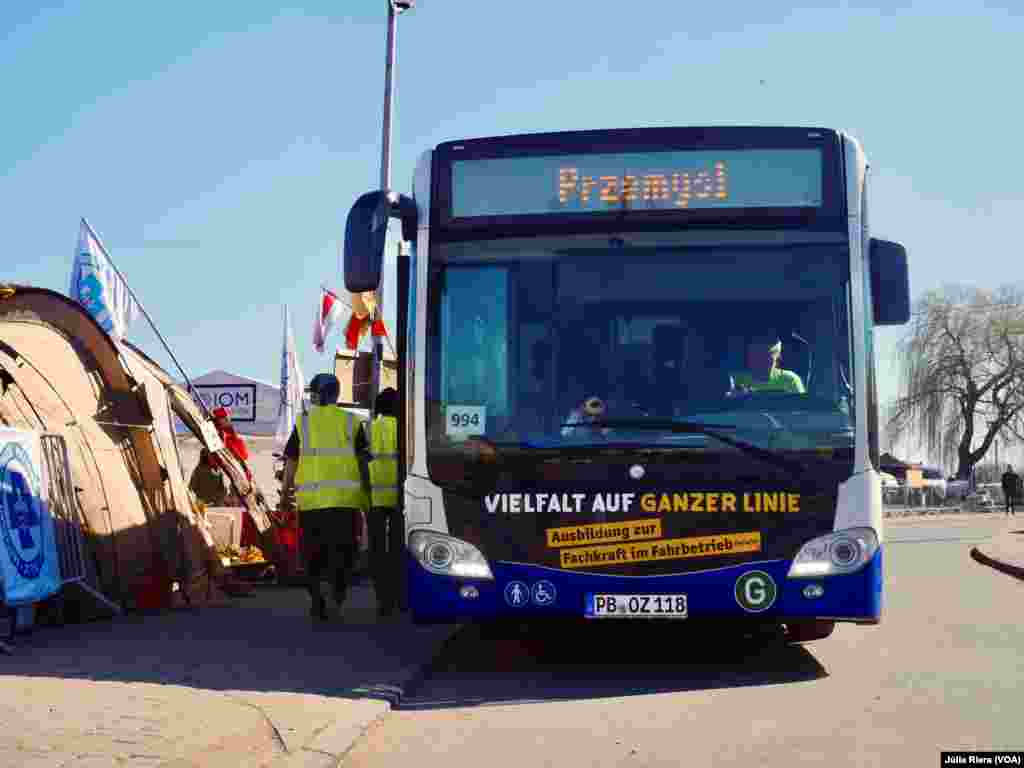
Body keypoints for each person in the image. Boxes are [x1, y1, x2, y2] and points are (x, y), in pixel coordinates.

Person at [282, 374, 369, 621]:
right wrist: (366, 495)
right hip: (345, 502)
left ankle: (317, 597)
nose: (310, 397)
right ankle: (337, 598)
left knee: (312, 553)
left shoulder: (303, 422)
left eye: (313, 393)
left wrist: (285, 495)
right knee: (344, 553)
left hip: (311, 504)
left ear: (319, 394)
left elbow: (291, 461)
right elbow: (364, 463)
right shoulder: (352, 422)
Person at [367, 387, 404, 617]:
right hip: (400, 498)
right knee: (398, 549)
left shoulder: (370, 428)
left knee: (378, 551)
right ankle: (398, 595)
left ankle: (383, 599)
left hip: (375, 497)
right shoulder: (405, 429)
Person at [728, 335, 806, 396]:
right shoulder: (734, 381)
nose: (762, 361)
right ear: (749, 356)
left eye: (768, 356)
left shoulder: (791, 380)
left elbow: (801, 411)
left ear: (778, 357)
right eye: (757, 355)